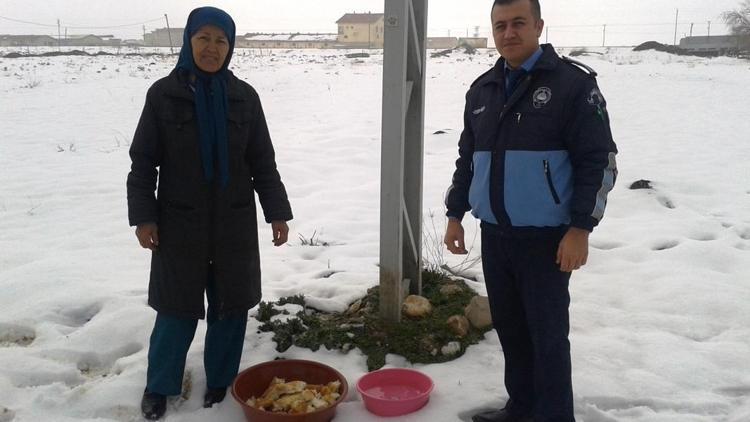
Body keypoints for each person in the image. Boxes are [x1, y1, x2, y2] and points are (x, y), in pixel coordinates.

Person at [443, 1, 617, 421]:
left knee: (548, 339)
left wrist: (580, 228)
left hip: (547, 241)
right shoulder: (483, 89)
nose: (509, 33)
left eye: (518, 23)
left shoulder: (572, 86)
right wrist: (455, 212)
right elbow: (468, 158)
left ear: (538, 25)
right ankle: (521, 409)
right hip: (497, 236)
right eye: (500, 25)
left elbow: (599, 161)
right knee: (514, 334)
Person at [126, 6, 293, 420]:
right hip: (178, 223)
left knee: (230, 308)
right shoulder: (163, 95)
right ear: (188, 42)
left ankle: (220, 381)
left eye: (221, 41)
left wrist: (277, 212)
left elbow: (262, 161)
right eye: (204, 38)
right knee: (175, 311)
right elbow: (144, 161)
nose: (212, 48)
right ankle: (159, 386)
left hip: (233, 222)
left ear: (230, 47)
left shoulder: (244, 97)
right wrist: (144, 217)